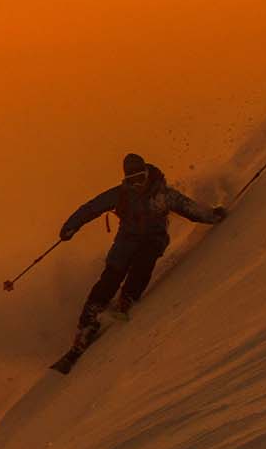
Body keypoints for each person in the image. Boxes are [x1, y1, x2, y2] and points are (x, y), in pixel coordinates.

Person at [58, 152, 227, 357]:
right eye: (132, 180)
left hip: (153, 238)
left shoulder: (162, 194)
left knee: (144, 261)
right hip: (126, 241)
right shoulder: (120, 194)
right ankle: (87, 320)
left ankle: (128, 297)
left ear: (146, 173)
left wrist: (211, 216)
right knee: (112, 274)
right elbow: (92, 208)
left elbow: (188, 208)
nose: (137, 184)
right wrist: (71, 226)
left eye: (140, 177)